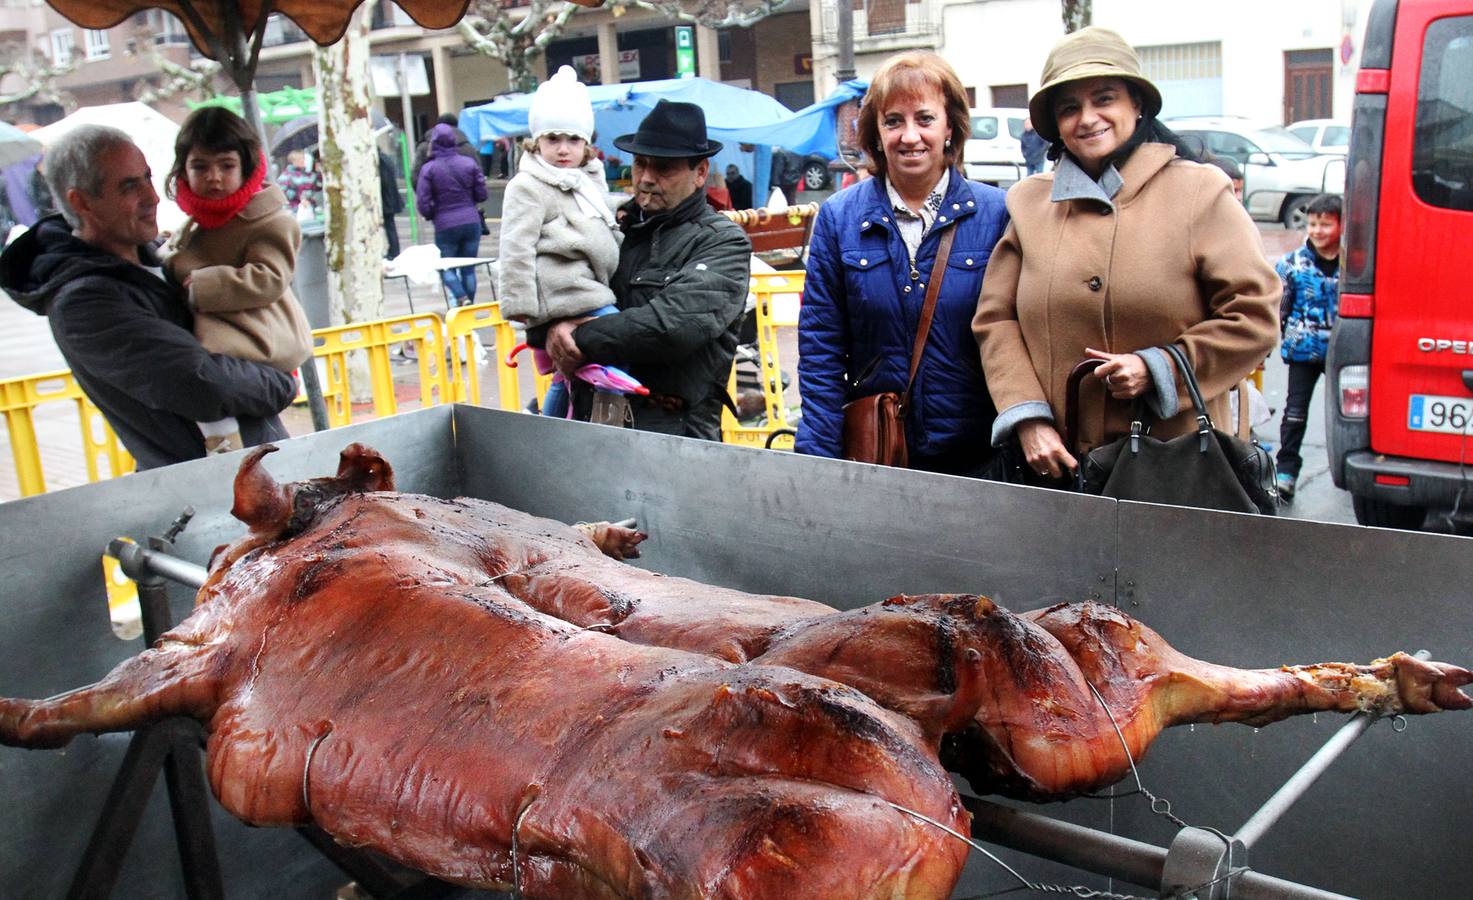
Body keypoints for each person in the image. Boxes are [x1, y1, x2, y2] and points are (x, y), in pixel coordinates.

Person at [973, 27, 1279, 483]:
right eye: (1069, 107)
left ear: (1136, 104)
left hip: (1176, 468)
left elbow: (1254, 314)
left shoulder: (1199, 191)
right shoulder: (1028, 204)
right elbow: (996, 320)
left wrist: (1160, 368)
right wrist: (1028, 417)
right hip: (1058, 467)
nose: (1087, 118)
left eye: (1104, 99)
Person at [0, 125, 296, 469]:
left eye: (148, 178)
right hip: (212, 492)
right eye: (129, 186)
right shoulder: (84, 303)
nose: (152, 197)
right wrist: (281, 380)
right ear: (81, 202)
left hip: (263, 463)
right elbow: (201, 384)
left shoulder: (160, 254)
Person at [795, 51, 1010, 474]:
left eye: (925, 119)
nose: (909, 135)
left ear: (950, 127)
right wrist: (817, 456)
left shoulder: (998, 214)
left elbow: (1015, 336)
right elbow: (821, 344)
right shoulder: (839, 218)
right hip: (878, 455)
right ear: (876, 132)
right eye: (894, 121)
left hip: (978, 457)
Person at [538, 99, 752, 440]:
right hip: (591, 425)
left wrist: (575, 337)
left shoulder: (723, 241)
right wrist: (547, 329)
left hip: (672, 436)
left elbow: (674, 325)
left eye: (664, 168)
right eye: (640, 164)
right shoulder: (610, 226)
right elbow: (550, 283)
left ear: (699, 173)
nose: (646, 179)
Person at [160, 107, 313, 455]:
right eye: (200, 166)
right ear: (183, 168)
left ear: (245, 167)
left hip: (255, 342)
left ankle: (226, 455)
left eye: (226, 166)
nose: (214, 177)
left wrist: (203, 284)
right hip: (222, 345)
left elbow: (270, 278)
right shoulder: (195, 224)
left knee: (219, 405)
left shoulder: (269, 222)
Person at [497, 65, 623, 418]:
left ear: (587, 144)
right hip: (563, 294)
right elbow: (515, 246)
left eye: (573, 139)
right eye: (553, 139)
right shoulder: (528, 185)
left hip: (585, 287)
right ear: (537, 142)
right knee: (620, 339)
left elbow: (605, 220)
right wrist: (520, 304)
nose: (563, 149)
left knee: (564, 374)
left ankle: (549, 424)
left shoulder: (587, 180)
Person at [1274, 193, 1342, 501]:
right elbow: (1280, 309)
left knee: (1345, 414)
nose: (1317, 230)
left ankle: (1348, 472)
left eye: (1325, 224)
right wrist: (1279, 338)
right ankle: (1286, 471)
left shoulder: (1354, 267)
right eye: (1313, 224)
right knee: (1295, 413)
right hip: (1302, 351)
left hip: (1342, 354)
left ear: (1341, 226)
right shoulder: (1292, 265)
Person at [416, 122, 489, 306]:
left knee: (445, 266)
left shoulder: (429, 169)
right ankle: (467, 307)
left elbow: (423, 200)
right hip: (471, 221)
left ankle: (461, 296)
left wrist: (432, 214)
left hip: (444, 223)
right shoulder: (468, 164)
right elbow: (482, 193)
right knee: (468, 268)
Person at [410, 113, 482, 186]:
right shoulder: (468, 148)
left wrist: (426, 194)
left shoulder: (424, 147)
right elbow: (478, 176)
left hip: (434, 195)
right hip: (466, 196)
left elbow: (416, 177)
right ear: (457, 125)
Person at [378, 146, 405, 259]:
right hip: (390, 198)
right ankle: (393, 251)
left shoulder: (380, 161)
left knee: (390, 226)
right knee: (390, 226)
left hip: (386, 199)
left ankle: (394, 252)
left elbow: (383, 181)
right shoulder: (385, 158)